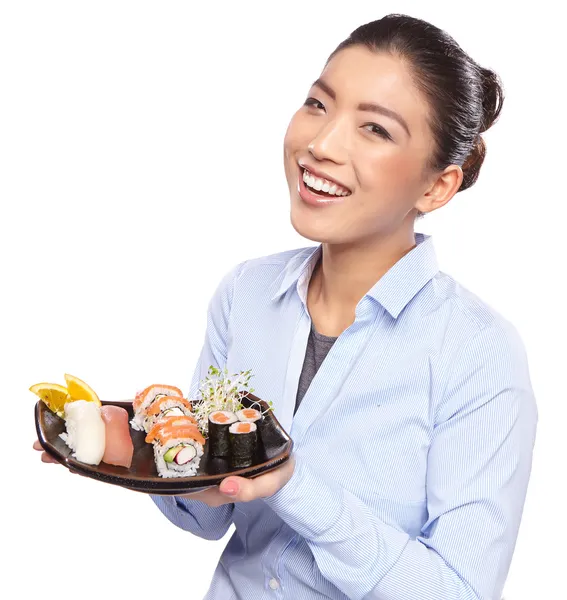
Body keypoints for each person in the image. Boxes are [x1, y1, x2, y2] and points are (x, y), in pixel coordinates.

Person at [35, 14, 538, 600]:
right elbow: (209, 515)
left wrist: (293, 486)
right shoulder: (247, 294)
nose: (320, 145)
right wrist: (138, 457)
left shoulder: (478, 354)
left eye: (375, 129)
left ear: (437, 187)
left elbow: (459, 593)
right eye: (318, 105)